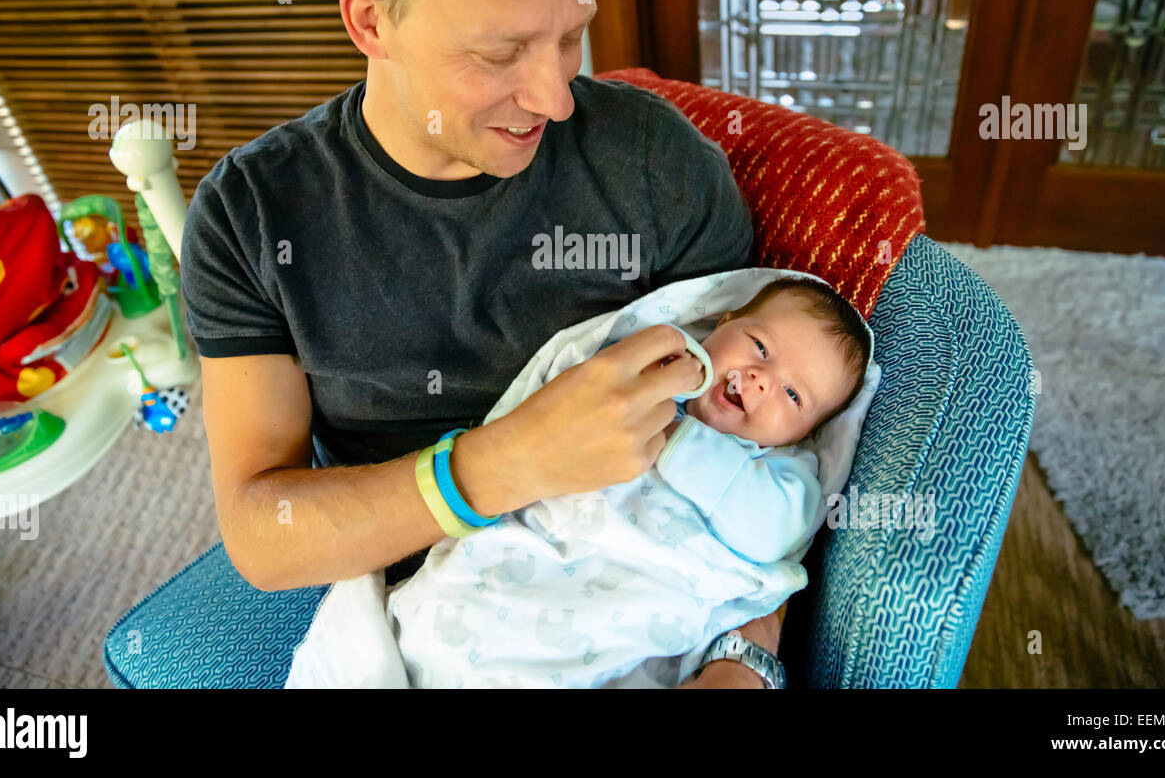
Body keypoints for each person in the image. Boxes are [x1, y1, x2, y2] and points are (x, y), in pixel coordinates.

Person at [180, 0, 784, 687]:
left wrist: (745, 655)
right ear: (369, 20)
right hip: (423, 616)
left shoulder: (656, 165)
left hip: (645, 589)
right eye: (500, 51)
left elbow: (767, 440)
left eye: (570, 36)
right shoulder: (252, 216)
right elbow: (262, 532)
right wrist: (506, 463)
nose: (555, 99)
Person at [283, 275, 873, 688]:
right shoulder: (636, 368)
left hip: (622, 621)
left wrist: (678, 438)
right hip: (508, 575)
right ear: (719, 322)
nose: (762, 379)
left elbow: (772, 532)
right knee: (437, 628)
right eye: (759, 346)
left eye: (795, 395)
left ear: (804, 435)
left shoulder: (779, 471)